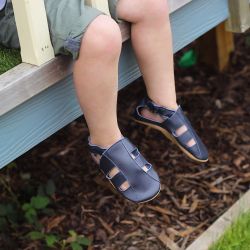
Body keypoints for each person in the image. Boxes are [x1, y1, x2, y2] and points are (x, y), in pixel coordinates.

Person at [0, 0, 208, 204]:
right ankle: (105, 142)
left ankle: (162, 106)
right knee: (102, 36)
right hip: (19, 8)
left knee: (151, 4)